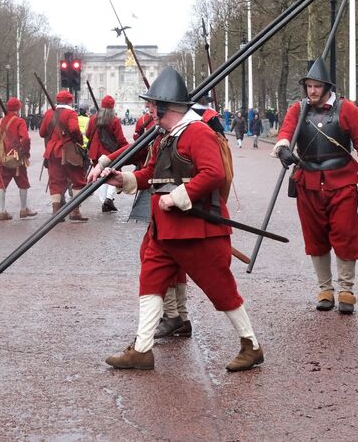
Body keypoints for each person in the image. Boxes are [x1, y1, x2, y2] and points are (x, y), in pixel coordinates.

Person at [99, 67, 263, 372]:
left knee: (221, 289)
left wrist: (179, 196)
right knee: (150, 282)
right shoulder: (166, 136)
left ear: (164, 106)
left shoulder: (198, 132)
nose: (148, 109)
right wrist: (124, 180)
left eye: (151, 105)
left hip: (197, 231)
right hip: (166, 230)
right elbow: (154, 175)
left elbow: (212, 173)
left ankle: (250, 345)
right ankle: (142, 349)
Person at [273, 58, 358, 314]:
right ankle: (325, 288)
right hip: (308, 181)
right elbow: (285, 133)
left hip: (341, 180)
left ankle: (345, 290)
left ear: (327, 87)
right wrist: (283, 148)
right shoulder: (297, 110)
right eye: (309, 86)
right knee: (315, 236)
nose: (312, 91)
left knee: (344, 232)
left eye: (317, 86)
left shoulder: (347, 109)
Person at [39, 90, 89, 221]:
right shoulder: (71, 113)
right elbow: (73, 129)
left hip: (52, 152)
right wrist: (79, 140)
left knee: (55, 182)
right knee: (78, 180)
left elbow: (42, 132)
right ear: (70, 101)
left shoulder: (49, 113)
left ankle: (56, 212)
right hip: (68, 151)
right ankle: (75, 211)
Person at [0, 97, 36, 220]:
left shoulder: (0, 122)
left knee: (1, 184)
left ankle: (1, 211)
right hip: (17, 158)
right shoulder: (19, 121)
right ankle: (23, 209)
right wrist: (25, 153)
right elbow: (26, 139)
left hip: (3, 157)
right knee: (23, 182)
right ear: (18, 108)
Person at [86, 95, 128, 213]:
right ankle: (108, 199)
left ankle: (103, 200)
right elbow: (120, 139)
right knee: (111, 175)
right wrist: (127, 147)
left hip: (95, 152)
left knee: (98, 175)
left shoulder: (93, 118)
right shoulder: (114, 120)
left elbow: (88, 134)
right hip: (110, 152)